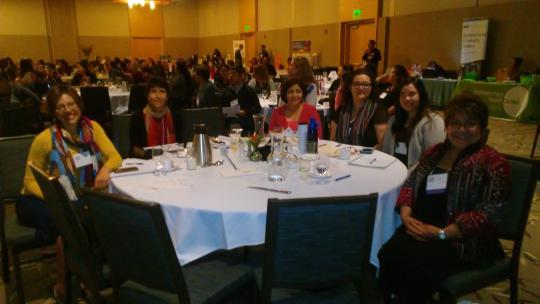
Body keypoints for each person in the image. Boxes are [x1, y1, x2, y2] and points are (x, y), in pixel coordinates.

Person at [378, 93, 510, 303]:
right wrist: (405, 214)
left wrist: (441, 233)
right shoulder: (435, 152)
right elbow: (411, 183)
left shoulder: (493, 163)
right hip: (420, 229)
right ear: (447, 127)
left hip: (461, 241)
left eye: (470, 124)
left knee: (416, 269)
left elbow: (490, 214)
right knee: (388, 254)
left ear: (483, 128)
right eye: (455, 123)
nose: (461, 130)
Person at [18, 85, 122, 242]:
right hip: (38, 200)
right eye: (60, 107)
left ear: (79, 104)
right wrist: (60, 196)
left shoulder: (93, 129)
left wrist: (105, 169)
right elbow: (29, 182)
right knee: (74, 220)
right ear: (54, 112)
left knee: (99, 217)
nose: (68, 110)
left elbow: (115, 157)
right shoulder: (44, 139)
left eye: (71, 104)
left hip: (80, 198)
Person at [381, 77, 445, 168]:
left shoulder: (433, 122)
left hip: (416, 177)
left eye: (412, 94)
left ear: (421, 95)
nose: (406, 98)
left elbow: (433, 158)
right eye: (402, 94)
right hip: (392, 173)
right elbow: (386, 151)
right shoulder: (393, 120)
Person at [331, 68, 388, 147]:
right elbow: (332, 141)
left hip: (368, 157)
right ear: (350, 87)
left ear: (371, 88)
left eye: (365, 84)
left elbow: (382, 145)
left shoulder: (378, 111)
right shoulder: (342, 110)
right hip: (341, 156)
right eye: (357, 84)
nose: (361, 88)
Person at [130, 77, 181, 158]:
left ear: (167, 96)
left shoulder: (175, 117)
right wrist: (150, 155)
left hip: (173, 161)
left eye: (162, 91)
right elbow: (134, 149)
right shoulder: (138, 118)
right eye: (153, 91)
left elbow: (181, 144)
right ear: (147, 96)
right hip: (147, 162)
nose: (158, 96)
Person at [221, 65, 262, 135]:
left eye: (233, 74)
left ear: (242, 76)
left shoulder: (249, 91)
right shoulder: (226, 91)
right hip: (230, 125)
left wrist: (245, 112)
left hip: (246, 125)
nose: (230, 76)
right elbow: (220, 108)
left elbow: (257, 108)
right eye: (229, 74)